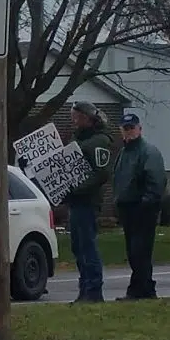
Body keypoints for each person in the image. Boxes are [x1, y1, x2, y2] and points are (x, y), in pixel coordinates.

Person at [61, 102, 117, 303]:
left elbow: (101, 173)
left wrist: (77, 188)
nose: (73, 121)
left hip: (87, 201)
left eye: (76, 117)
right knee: (78, 247)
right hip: (76, 201)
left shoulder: (99, 141)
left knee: (87, 246)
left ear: (87, 117)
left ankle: (93, 290)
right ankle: (85, 289)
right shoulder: (80, 139)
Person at [112, 110, 168, 300]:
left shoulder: (148, 152)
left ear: (139, 129)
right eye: (125, 129)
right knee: (134, 253)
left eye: (131, 128)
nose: (128, 132)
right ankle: (143, 288)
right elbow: (119, 179)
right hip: (127, 209)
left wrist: (146, 203)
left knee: (140, 252)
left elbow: (156, 181)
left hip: (143, 210)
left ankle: (140, 290)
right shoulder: (123, 153)